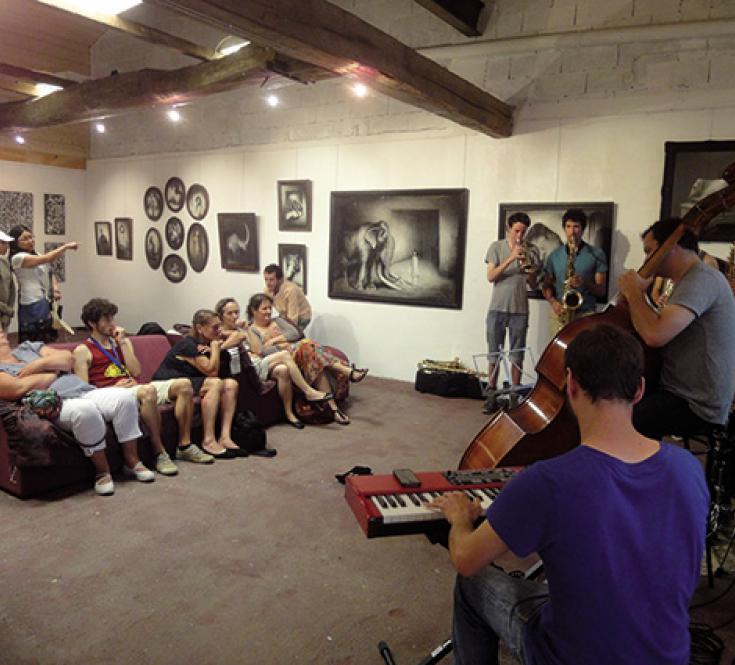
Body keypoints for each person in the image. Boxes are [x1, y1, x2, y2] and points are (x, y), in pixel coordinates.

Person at [430, 324, 709, 665]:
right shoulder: (690, 469)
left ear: (571, 385)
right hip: (670, 657)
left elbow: (466, 559)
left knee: (471, 584)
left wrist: (460, 519)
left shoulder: (548, 481)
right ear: (639, 390)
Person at [0, 326, 156, 496]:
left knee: (125, 398)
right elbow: (16, 388)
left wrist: (40, 364)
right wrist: (54, 373)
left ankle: (132, 461)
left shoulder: (28, 347)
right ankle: (103, 472)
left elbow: (67, 359)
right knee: (85, 410)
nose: (1, 330)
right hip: (58, 403)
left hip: (84, 390)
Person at [619, 218, 735, 439]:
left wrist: (634, 293)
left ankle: (643, 471)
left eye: (649, 251)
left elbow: (655, 334)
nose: (646, 260)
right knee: (615, 401)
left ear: (671, 247)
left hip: (697, 403)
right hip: (679, 392)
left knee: (621, 418)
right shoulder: (690, 279)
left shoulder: (701, 279)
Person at [73, 298, 212, 470]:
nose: (112, 324)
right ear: (92, 323)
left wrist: (123, 343)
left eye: (112, 318)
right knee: (147, 392)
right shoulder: (83, 350)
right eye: (107, 320)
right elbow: (82, 390)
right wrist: (113, 388)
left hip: (134, 387)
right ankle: (159, 452)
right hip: (109, 394)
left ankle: (185, 445)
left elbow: (136, 372)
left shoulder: (121, 342)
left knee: (184, 385)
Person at [246, 293, 367, 426]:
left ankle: (334, 410)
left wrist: (274, 340)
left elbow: (296, 333)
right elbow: (261, 352)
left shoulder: (278, 321)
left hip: (301, 354)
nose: (268, 311)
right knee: (306, 344)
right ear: (254, 310)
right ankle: (348, 371)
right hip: (285, 359)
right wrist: (284, 346)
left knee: (314, 362)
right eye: (264, 309)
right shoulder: (253, 330)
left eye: (270, 308)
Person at [215, 297, 332, 429]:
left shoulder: (241, 329)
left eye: (237, 312)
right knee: (284, 355)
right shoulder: (218, 332)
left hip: (258, 361)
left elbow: (257, 349)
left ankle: (289, 413)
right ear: (220, 316)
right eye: (230, 313)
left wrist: (247, 329)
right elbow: (255, 349)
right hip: (250, 367)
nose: (235, 316)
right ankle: (308, 391)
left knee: (283, 370)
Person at [152, 309, 243, 458]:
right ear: (200, 328)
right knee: (214, 383)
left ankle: (225, 437)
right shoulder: (187, 344)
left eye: (219, 326)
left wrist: (217, 347)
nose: (219, 330)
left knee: (231, 384)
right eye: (215, 327)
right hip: (169, 382)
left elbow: (239, 335)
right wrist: (215, 347)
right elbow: (211, 372)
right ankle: (208, 440)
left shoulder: (206, 343)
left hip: (190, 381)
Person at [483, 212, 536, 413]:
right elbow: (491, 276)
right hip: (497, 307)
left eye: (523, 231)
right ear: (508, 229)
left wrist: (526, 267)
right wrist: (511, 258)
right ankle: (491, 394)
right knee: (493, 353)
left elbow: (532, 283)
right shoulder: (496, 247)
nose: (520, 235)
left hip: (520, 309)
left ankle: (514, 394)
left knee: (517, 353)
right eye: (516, 231)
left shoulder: (531, 250)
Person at [541, 209, 607, 334]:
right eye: (568, 226)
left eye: (576, 226)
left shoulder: (597, 254)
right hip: (560, 314)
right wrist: (553, 302)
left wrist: (585, 282)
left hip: (586, 314)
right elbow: (546, 285)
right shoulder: (554, 255)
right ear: (564, 229)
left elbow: (601, 291)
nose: (572, 231)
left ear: (583, 229)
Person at [8, 226, 78, 343]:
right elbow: (47, 259)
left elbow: (49, 271)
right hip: (30, 302)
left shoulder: (36, 254)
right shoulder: (17, 258)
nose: (31, 241)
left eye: (31, 237)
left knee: (47, 336)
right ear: (16, 242)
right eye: (25, 239)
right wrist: (65, 247)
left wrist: (55, 288)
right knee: (35, 339)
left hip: (43, 299)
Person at [263, 263, 312, 330]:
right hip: (285, 314)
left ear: (281, 280)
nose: (268, 283)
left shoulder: (291, 290)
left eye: (271, 280)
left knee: (292, 335)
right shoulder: (267, 290)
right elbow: (264, 309)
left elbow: (293, 318)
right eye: (266, 279)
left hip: (302, 316)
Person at [0, 230, 16, 331]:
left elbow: (12, 289)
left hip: (4, 315)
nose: (7, 247)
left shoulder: (5, 262)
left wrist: (7, 314)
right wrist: (8, 310)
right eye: (5, 243)